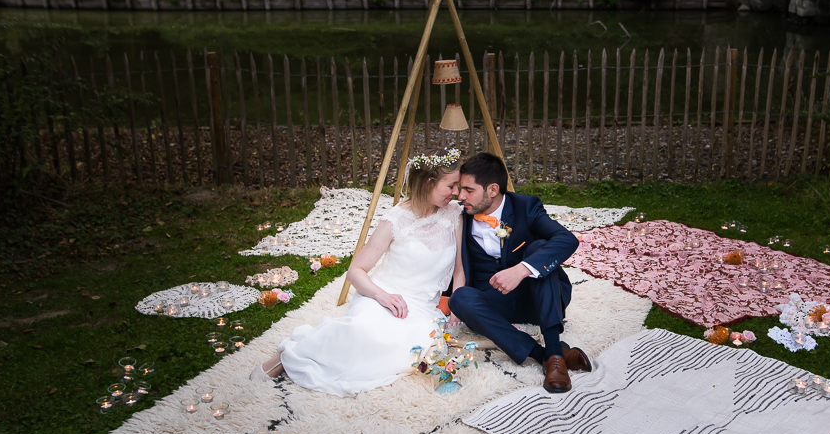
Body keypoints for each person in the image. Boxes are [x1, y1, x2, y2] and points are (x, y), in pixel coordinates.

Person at [250, 148, 464, 396]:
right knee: (363, 331)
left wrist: (456, 305)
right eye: (451, 186)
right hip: (382, 294)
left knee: (413, 350)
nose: (456, 192)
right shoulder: (396, 219)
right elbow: (356, 271)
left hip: (422, 306)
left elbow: (459, 270)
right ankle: (289, 357)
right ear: (428, 183)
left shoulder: (454, 214)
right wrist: (383, 296)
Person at [448, 152, 591, 393]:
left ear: (493, 190)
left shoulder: (526, 207)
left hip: (538, 299)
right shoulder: (461, 216)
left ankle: (555, 351)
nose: (461, 197)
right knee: (460, 298)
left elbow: (566, 240)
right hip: (495, 304)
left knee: (538, 248)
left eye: (469, 190)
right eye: (460, 189)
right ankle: (544, 355)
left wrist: (521, 270)